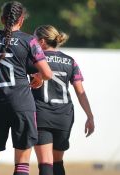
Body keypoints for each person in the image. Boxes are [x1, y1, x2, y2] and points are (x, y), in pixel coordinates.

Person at [0, 1, 53, 175]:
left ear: (1, 19)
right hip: (22, 105)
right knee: (22, 164)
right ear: (21, 20)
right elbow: (48, 73)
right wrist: (39, 77)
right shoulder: (29, 41)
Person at [32, 25, 95, 175]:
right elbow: (80, 92)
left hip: (42, 114)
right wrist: (90, 116)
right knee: (57, 162)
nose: (32, 43)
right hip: (64, 116)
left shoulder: (35, 60)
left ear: (41, 42)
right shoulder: (70, 61)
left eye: (34, 39)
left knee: (46, 163)